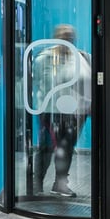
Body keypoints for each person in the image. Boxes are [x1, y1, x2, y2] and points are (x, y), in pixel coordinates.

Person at [31, 23, 92, 198]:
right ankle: (36, 184)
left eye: (70, 36)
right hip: (50, 111)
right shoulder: (44, 58)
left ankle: (60, 184)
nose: (68, 39)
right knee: (46, 147)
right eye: (64, 36)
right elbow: (38, 85)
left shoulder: (82, 57)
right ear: (56, 38)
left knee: (66, 147)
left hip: (76, 111)